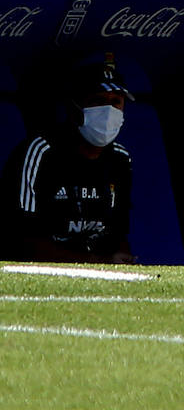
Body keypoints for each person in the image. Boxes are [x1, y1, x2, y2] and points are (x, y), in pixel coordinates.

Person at [2, 60, 135, 264]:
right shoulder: (40, 153)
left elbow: (117, 233)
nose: (108, 111)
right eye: (98, 101)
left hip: (97, 272)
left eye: (116, 102)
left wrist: (123, 263)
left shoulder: (120, 158)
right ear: (74, 108)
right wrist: (97, 261)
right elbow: (23, 242)